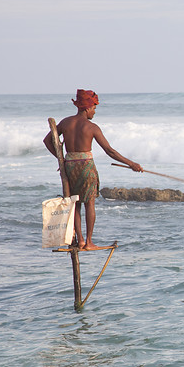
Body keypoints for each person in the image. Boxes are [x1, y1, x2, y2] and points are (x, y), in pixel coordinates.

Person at [43, 89, 142, 250]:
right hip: (86, 167)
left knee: (74, 202)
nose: (95, 112)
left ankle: (80, 240)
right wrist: (131, 164)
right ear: (87, 107)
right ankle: (89, 242)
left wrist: (60, 160)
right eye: (94, 108)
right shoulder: (91, 127)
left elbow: (47, 140)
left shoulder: (66, 123)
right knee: (89, 203)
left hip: (69, 165)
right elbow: (110, 151)